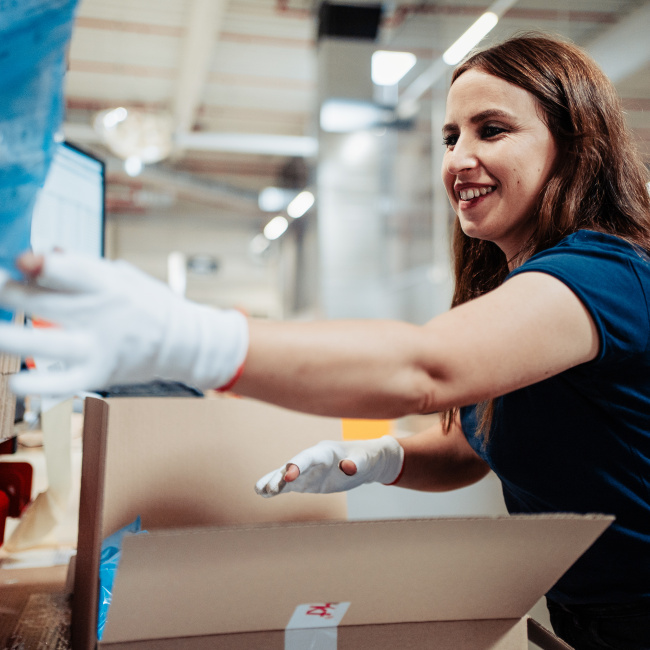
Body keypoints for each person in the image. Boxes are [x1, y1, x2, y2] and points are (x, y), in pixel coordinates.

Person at [0, 31, 649, 648]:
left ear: (575, 143)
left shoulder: (604, 276)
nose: (459, 158)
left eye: (492, 129)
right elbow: (471, 445)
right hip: (586, 617)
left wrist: (188, 337)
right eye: (451, 136)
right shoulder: (512, 287)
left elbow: (429, 369)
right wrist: (380, 461)